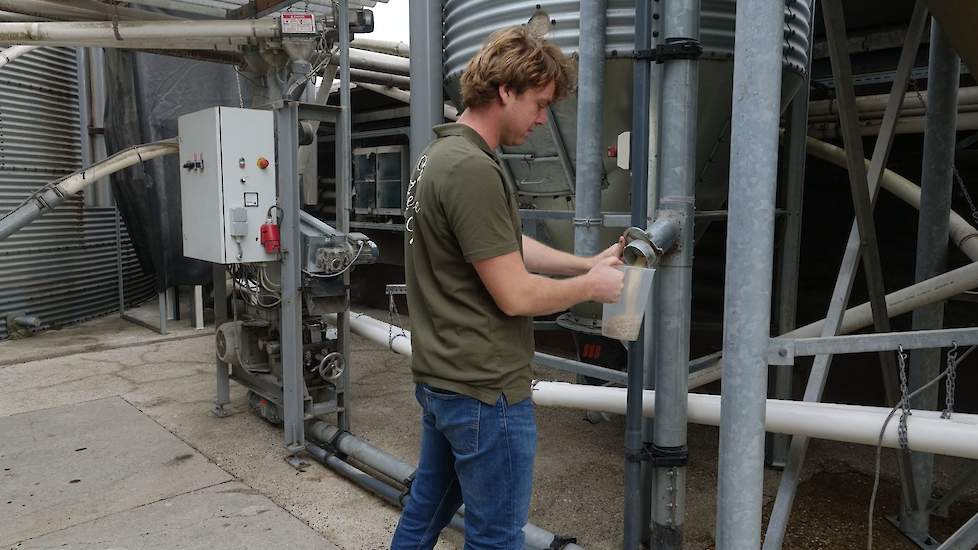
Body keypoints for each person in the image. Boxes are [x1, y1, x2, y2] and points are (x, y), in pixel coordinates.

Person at [391, 25, 624, 550]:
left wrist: (582, 262)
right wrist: (592, 286)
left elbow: (503, 244)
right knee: (496, 538)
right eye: (539, 104)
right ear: (505, 91)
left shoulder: (439, 156)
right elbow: (515, 295)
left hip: (443, 379)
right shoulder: (473, 169)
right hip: (484, 390)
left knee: (425, 511)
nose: (543, 119)